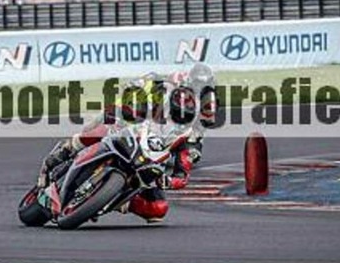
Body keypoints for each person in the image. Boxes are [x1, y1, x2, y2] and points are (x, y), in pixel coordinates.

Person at [38, 63, 218, 223]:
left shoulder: (200, 114)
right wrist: (133, 94)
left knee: (158, 210)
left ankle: (115, 201)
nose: (198, 89)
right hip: (135, 126)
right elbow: (145, 83)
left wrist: (170, 179)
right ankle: (66, 150)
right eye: (196, 84)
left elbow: (185, 168)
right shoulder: (173, 84)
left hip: (152, 155)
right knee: (98, 125)